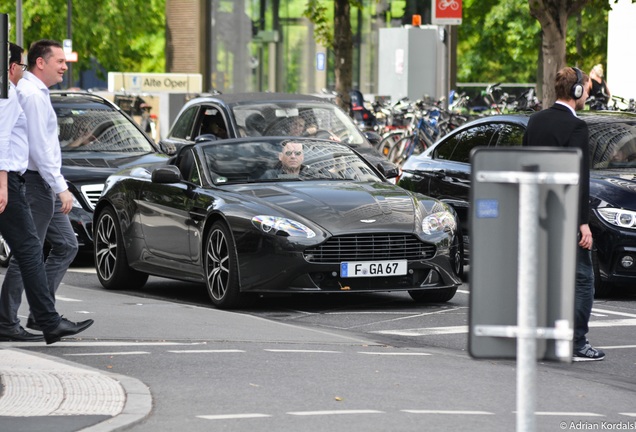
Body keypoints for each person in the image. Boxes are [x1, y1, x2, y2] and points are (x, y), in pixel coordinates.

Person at [0, 42, 93, 344]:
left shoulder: (31, 92)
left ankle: (40, 315)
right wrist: (60, 187)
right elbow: (36, 146)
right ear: (40, 63)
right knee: (27, 252)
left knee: (65, 245)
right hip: (32, 181)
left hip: (34, 181)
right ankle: (15, 318)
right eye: (60, 61)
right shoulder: (24, 94)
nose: (65, 67)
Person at [522, 66, 605, 362]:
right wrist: (584, 224)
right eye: (586, 90)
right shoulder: (577, 127)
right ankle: (577, 342)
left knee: (542, 276)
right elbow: (578, 177)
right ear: (577, 91)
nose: (587, 96)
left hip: (536, 213)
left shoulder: (535, 120)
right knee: (583, 279)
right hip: (566, 216)